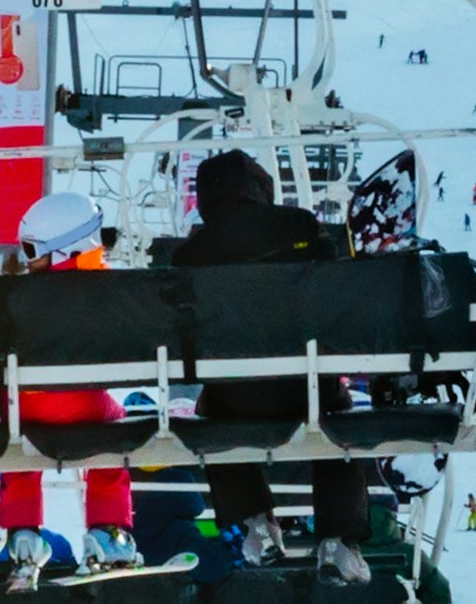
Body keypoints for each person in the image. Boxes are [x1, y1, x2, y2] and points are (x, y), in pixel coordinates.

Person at [155, 148, 371, 582]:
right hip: (305, 392)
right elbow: (338, 298)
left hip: (234, 399)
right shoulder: (302, 228)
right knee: (334, 416)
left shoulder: (191, 255)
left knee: (209, 418)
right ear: (261, 188)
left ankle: (255, 520)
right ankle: (338, 538)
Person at [0, 190, 142, 571]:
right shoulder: (108, 290)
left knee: (17, 440)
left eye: (31, 250)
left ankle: (23, 531)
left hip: (23, 409)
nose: (30, 261)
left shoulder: (15, 295)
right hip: (85, 407)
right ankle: (109, 530)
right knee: (115, 426)